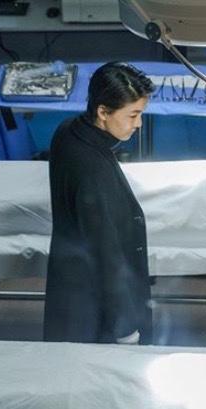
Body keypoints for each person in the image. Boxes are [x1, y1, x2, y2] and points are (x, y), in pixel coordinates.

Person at [44, 62, 155, 345]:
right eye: (133, 115)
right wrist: (125, 326)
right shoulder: (91, 168)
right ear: (103, 112)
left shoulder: (68, 131)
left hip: (72, 288)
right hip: (93, 305)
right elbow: (105, 252)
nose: (138, 124)